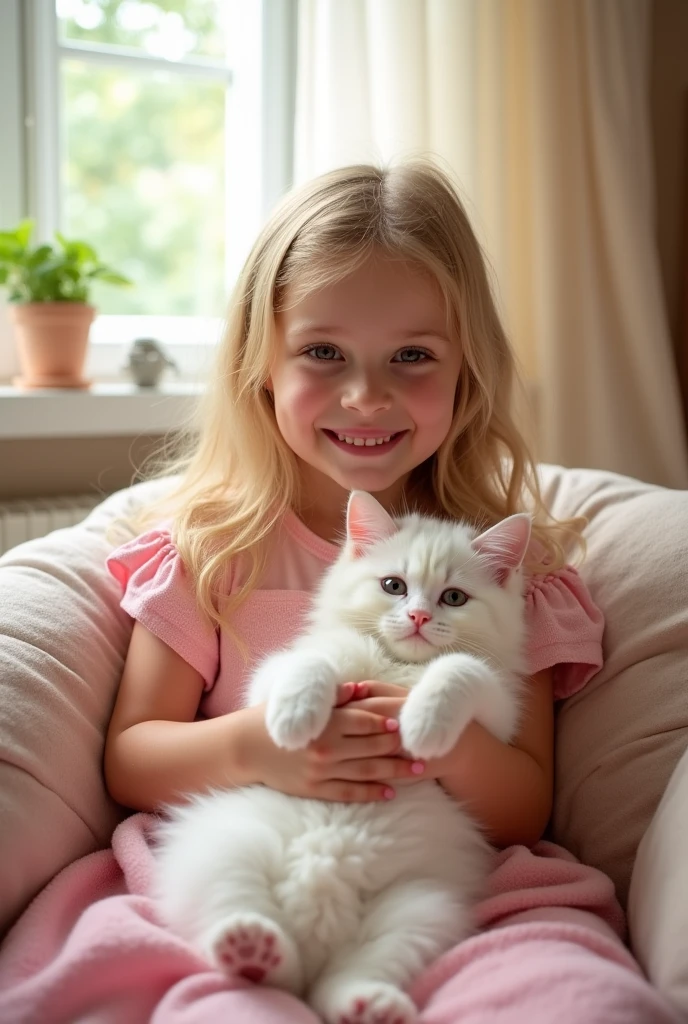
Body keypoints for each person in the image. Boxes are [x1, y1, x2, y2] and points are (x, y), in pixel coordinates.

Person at [0, 162, 680, 1024]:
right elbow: (131, 756)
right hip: (249, 857)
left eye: (413, 356)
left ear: (467, 368)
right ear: (260, 364)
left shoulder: (506, 573)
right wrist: (258, 749)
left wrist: (432, 731)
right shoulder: (215, 551)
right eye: (324, 353)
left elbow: (523, 805)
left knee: (578, 1000)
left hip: (436, 881)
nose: (368, 395)